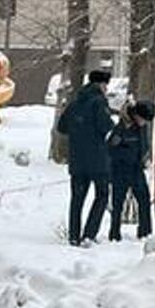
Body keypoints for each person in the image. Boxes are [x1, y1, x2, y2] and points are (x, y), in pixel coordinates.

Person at [56, 69, 114, 245]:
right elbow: (105, 126)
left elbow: (62, 127)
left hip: (77, 159)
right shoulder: (99, 102)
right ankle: (89, 234)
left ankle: (73, 236)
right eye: (106, 85)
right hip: (97, 160)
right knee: (102, 195)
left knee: (77, 199)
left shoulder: (75, 103)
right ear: (102, 84)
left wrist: (79, 130)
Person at [105, 100, 155, 242]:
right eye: (143, 120)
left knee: (144, 199)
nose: (144, 123)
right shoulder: (122, 128)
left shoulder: (142, 127)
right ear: (137, 115)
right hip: (120, 170)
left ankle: (145, 232)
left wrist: (144, 157)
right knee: (118, 203)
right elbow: (110, 149)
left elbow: (143, 144)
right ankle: (114, 234)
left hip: (137, 168)